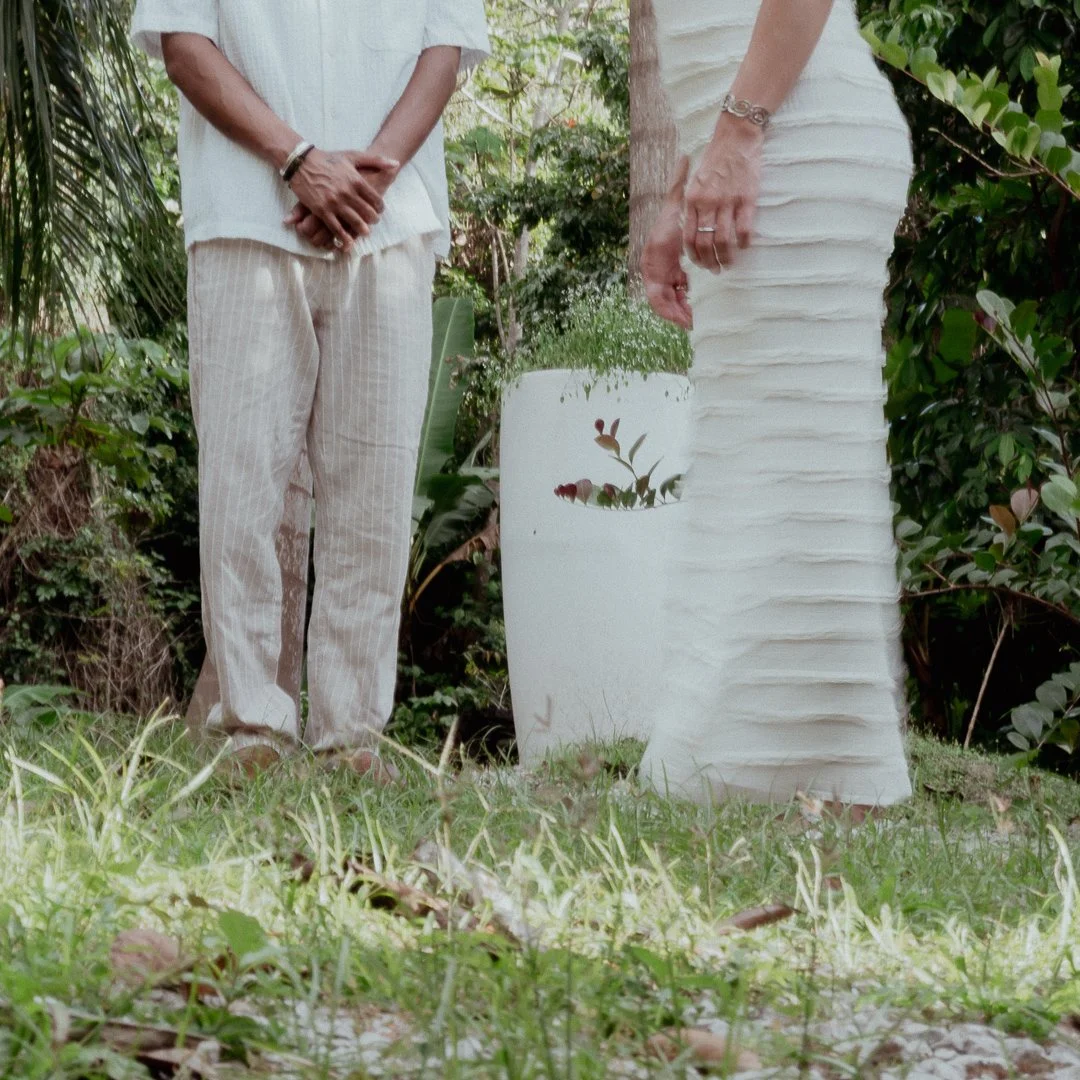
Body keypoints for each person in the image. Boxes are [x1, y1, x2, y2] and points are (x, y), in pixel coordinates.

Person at [130, 0, 490, 776]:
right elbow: (183, 40)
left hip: (388, 224)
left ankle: (351, 733)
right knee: (243, 481)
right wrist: (298, 160)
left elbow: (447, 43)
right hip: (245, 216)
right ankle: (251, 723)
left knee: (375, 489)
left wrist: (362, 182)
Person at [638, 0, 913, 809]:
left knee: (798, 461)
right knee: (754, 453)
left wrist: (737, 135)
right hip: (756, 139)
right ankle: (740, 754)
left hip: (797, 143)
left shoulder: (751, 132)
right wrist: (682, 186)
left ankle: (803, 768)